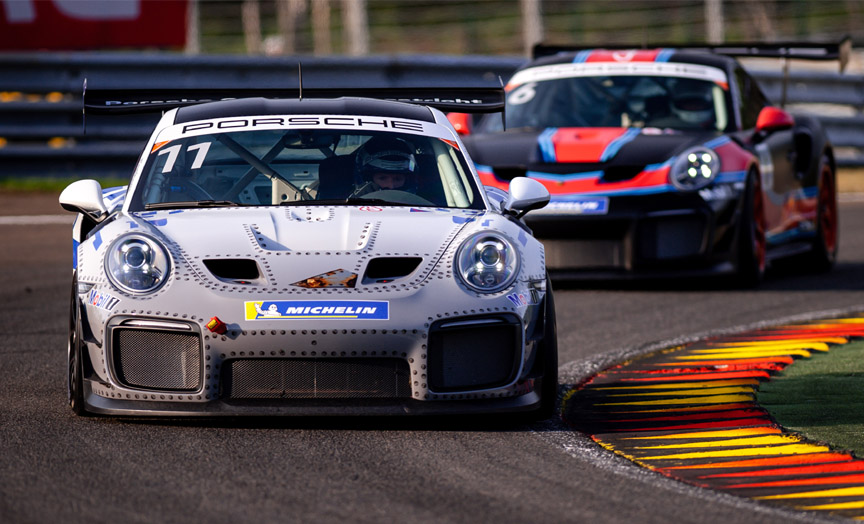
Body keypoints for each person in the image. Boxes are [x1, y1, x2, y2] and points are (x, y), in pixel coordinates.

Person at [354, 136, 418, 193]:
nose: (391, 186)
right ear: (367, 179)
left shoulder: (423, 204)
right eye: (382, 178)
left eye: (398, 179)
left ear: (407, 181)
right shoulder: (348, 204)